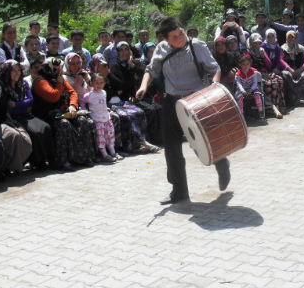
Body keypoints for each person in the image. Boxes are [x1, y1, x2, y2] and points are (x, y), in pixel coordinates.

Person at [135, 17, 231, 204]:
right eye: (175, 37)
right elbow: (151, 70)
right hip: (171, 102)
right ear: (166, 40)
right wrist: (143, 86)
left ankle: (221, 162)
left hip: (196, 102)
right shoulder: (161, 49)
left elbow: (215, 69)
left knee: (201, 143)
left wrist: (215, 83)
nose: (180, 37)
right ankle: (179, 191)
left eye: (181, 32)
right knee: (171, 148)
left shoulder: (197, 46)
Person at [31, 57, 95, 169]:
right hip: (47, 114)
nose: (59, 70)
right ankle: (62, 160)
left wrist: (72, 106)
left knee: (83, 121)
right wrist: (60, 83)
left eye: (60, 68)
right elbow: (54, 96)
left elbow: (72, 93)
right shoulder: (40, 81)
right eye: (56, 68)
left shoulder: (57, 77)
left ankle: (83, 156)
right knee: (63, 124)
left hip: (63, 111)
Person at [89, 54, 154, 155]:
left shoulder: (108, 74)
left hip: (119, 101)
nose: (104, 68)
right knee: (124, 116)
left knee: (138, 112)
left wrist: (108, 75)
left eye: (105, 65)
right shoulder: (93, 78)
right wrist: (115, 92)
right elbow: (102, 94)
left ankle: (138, 143)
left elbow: (121, 86)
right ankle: (130, 146)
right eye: (101, 66)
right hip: (106, 105)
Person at [0, 60, 54, 170]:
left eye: (18, 70)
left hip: (26, 115)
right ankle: (35, 161)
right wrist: (22, 106)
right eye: (13, 71)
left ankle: (46, 159)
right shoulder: (3, 87)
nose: (17, 73)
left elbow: (31, 101)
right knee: (34, 132)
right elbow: (9, 109)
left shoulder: (23, 83)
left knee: (45, 127)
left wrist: (15, 104)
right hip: (12, 118)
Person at [109, 42, 163, 147]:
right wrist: (133, 79)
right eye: (121, 50)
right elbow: (122, 85)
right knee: (150, 111)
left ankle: (158, 138)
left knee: (159, 108)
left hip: (141, 96)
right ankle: (147, 139)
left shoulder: (133, 62)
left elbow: (146, 73)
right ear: (118, 52)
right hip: (128, 99)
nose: (124, 52)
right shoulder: (116, 67)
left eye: (126, 49)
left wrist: (132, 65)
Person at [82, 73, 119, 162]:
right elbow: (82, 101)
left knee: (110, 135)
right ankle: (104, 154)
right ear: (91, 83)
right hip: (97, 119)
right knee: (101, 137)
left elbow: (102, 102)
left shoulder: (104, 92)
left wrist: (105, 107)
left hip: (106, 117)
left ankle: (112, 151)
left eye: (101, 82)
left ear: (104, 83)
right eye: (96, 83)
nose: (99, 85)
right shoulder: (89, 95)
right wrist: (84, 111)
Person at [247, 33, 285, 118]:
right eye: (255, 43)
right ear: (251, 43)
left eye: (259, 43)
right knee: (268, 84)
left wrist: (263, 56)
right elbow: (248, 67)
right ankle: (270, 108)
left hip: (265, 73)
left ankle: (279, 106)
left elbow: (268, 64)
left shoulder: (262, 50)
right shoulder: (248, 52)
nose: (257, 45)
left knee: (279, 80)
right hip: (255, 75)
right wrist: (262, 74)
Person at [281, 30, 304, 105]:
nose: (291, 39)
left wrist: (300, 70)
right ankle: (290, 98)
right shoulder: (283, 48)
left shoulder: (301, 48)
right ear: (286, 38)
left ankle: (299, 98)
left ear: (296, 38)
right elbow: (280, 60)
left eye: (292, 37)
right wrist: (290, 70)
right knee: (286, 75)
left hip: (299, 69)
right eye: (289, 37)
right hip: (288, 70)